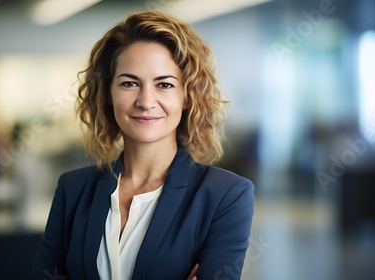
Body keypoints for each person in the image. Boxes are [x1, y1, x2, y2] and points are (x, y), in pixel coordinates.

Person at [29, 11, 254, 280]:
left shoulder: (226, 196)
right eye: (129, 83)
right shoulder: (73, 190)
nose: (146, 101)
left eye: (165, 84)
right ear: (108, 93)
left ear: (186, 96)